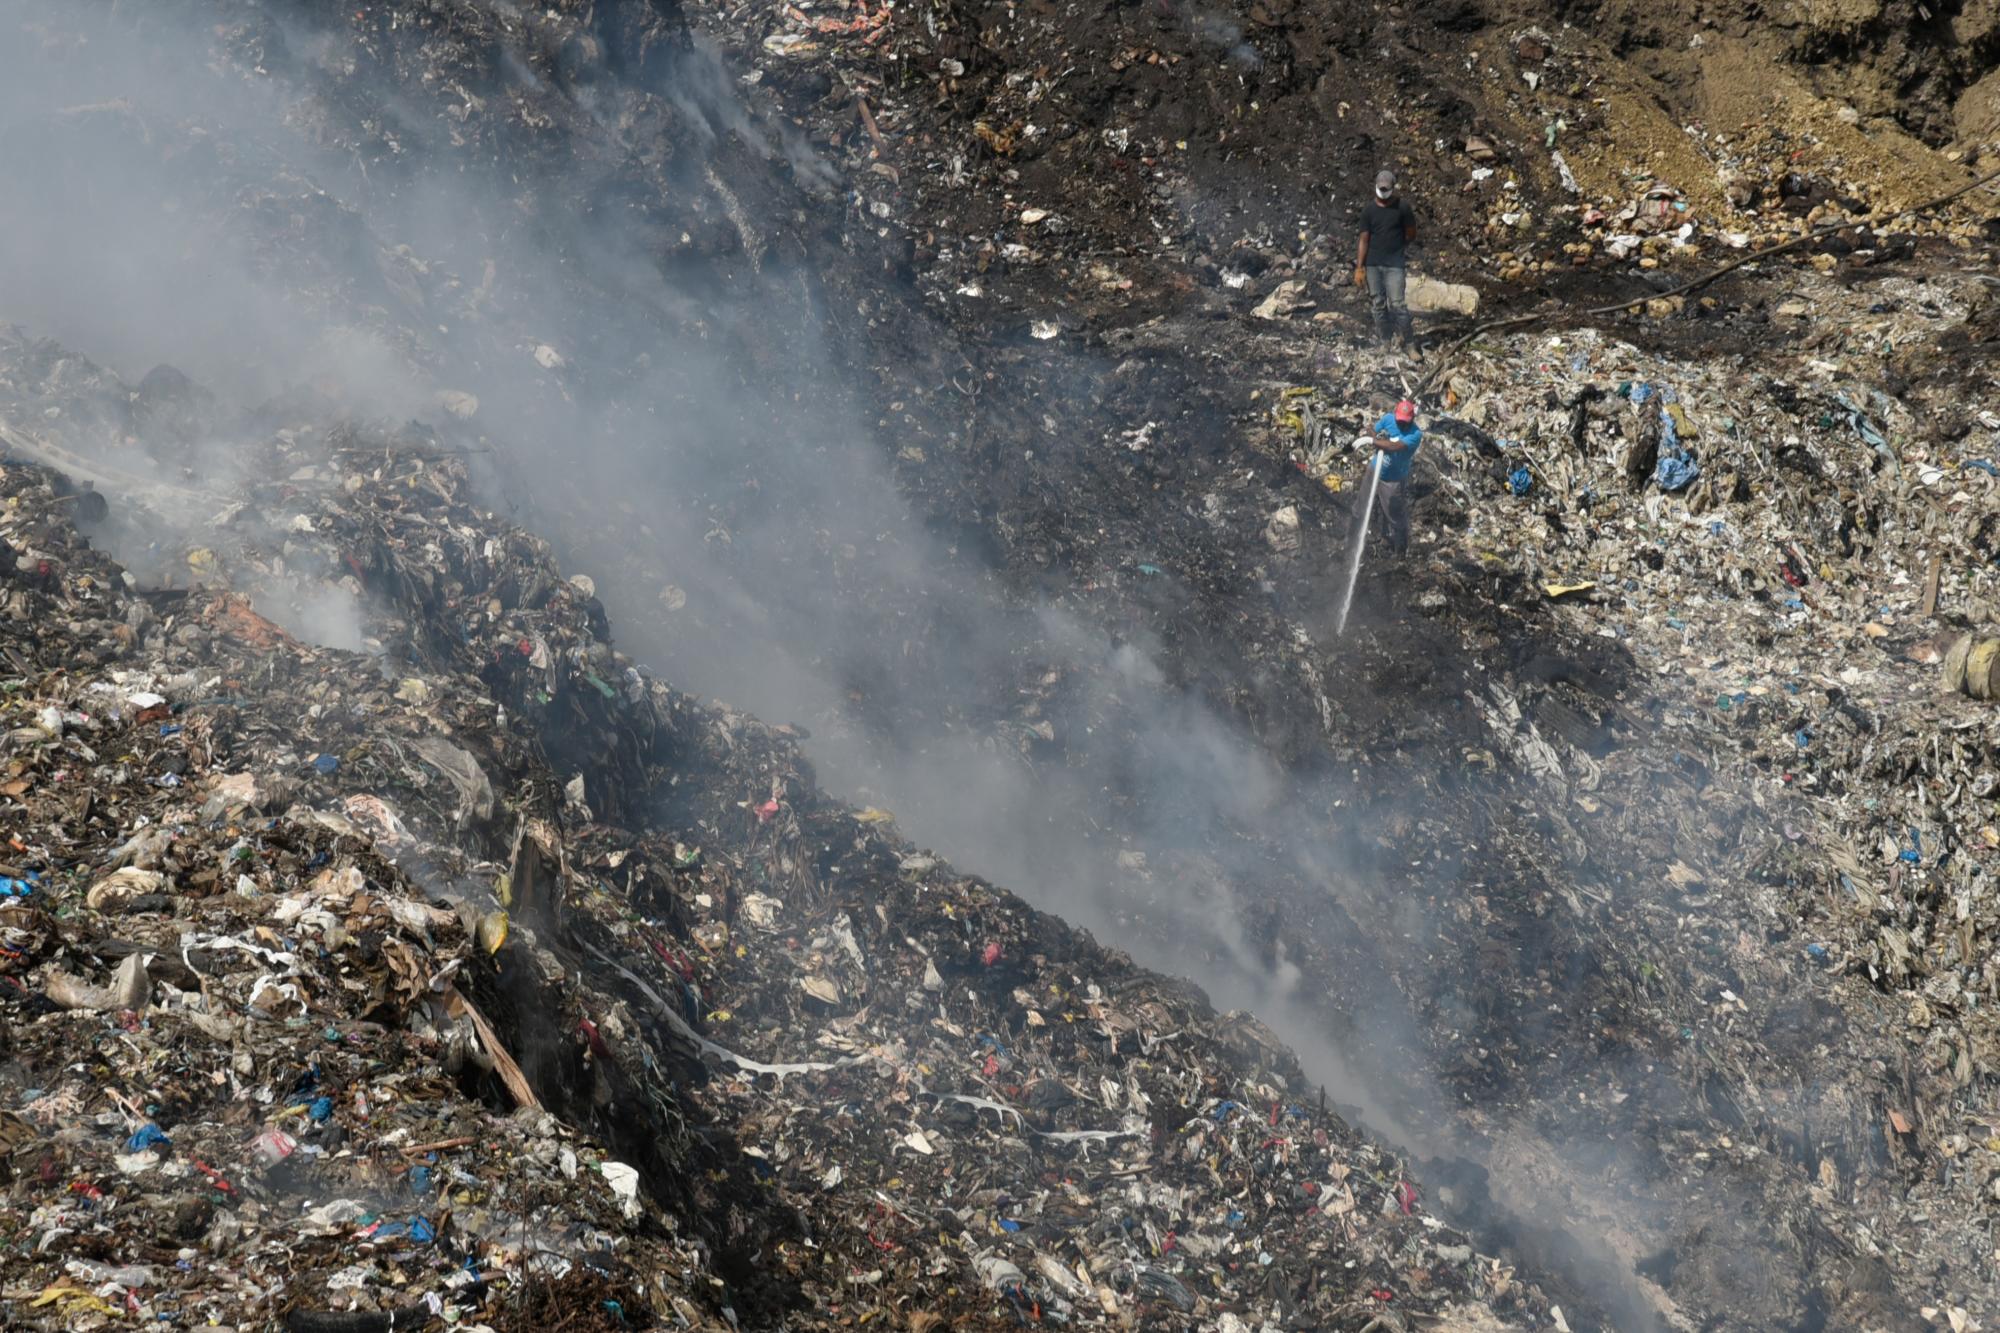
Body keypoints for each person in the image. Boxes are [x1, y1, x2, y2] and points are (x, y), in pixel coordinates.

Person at [1353, 169, 1417, 349]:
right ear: (1375, 186)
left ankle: (1410, 343)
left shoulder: (1402, 208)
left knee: (1397, 305)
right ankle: (1385, 340)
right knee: (1378, 305)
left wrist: (1397, 247)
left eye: (1386, 188)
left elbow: (1411, 233)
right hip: (1373, 265)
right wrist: (1360, 267)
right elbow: (1363, 240)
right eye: (1380, 188)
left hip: (1395, 266)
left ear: (1393, 188)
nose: (1383, 191)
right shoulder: (1369, 211)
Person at [1369, 399, 1422, 555]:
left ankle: (1401, 551)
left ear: (1412, 419)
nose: (1401, 425)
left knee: (1395, 515)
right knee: (1374, 507)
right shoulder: (1387, 419)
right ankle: (1382, 538)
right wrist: (1376, 436)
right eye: (1399, 421)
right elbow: (1371, 429)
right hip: (1375, 469)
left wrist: (1376, 441)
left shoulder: (1415, 434)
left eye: (1405, 422)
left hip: (1393, 479)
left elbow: (1394, 446)